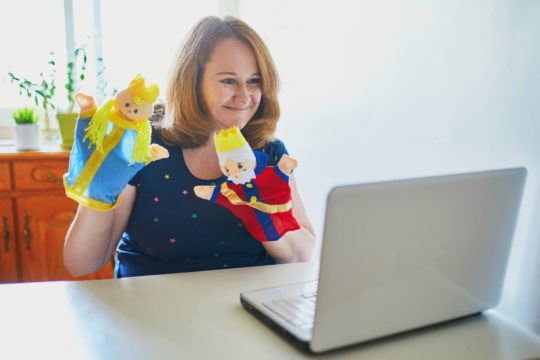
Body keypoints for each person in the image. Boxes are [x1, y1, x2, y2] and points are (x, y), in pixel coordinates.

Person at [63, 15, 316, 278]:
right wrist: (97, 196)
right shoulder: (145, 144)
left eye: (254, 81)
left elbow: (301, 254)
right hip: (149, 305)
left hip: (246, 303)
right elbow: (83, 264)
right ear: (192, 81)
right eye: (228, 80)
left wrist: (266, 220)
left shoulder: (269, 152)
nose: (244, 96)